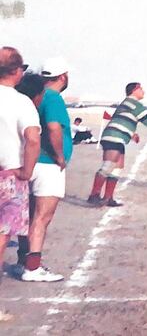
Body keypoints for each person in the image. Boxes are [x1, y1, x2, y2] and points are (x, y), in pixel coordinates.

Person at [22, 57, 73, 282]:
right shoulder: (53, 98)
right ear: (63, 76)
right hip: (47, 164)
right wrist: (59, 156)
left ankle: (22, 261)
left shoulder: (33, 95)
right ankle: (33, 267)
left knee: (29, 215)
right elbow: (54, 128)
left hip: (30, 162)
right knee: (42, 217)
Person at [87, 82, 147, 207]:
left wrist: (132, 134)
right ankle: (94, 195)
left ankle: (108, 197)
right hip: (113, 137)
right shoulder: (134, 104)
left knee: (117, 168)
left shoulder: (126, 103)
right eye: (141, 89)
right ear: (134, 90)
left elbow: (121, 119)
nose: (143, 91)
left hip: (118, 137)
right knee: (108, 166)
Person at [0, 48, 41, 291]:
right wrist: (27, 170)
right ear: (17, 71)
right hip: (9, 174)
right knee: (3, 233)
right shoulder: (20, 101)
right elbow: (33, 139)